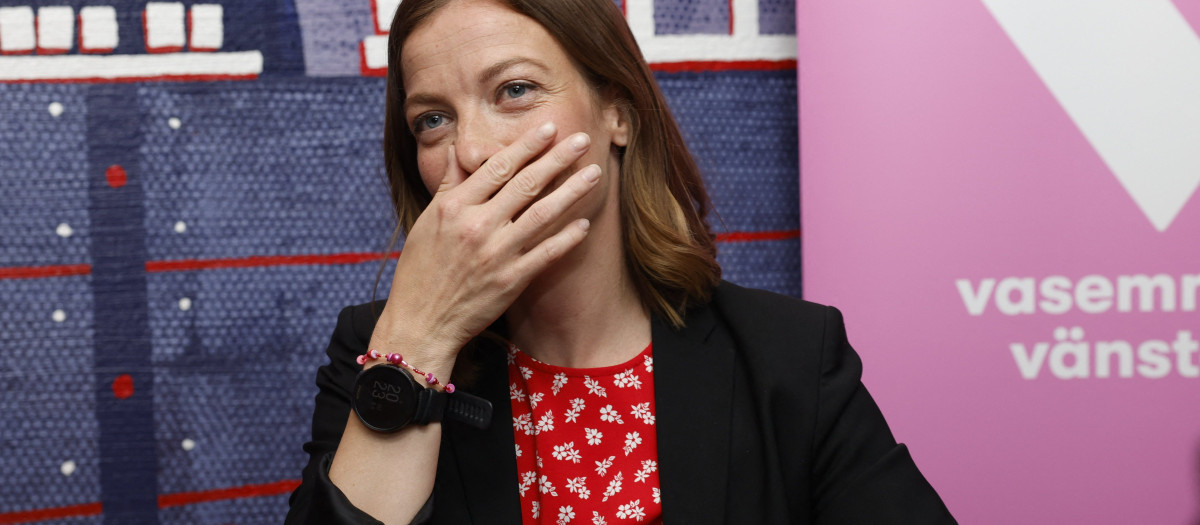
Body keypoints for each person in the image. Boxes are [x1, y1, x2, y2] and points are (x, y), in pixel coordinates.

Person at [286, 0, 956, 523]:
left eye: (515, 90)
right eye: (432, 119)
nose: (472, 150)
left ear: (619, 114)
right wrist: (420, 340)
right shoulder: (378, 351)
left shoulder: (788, 356)